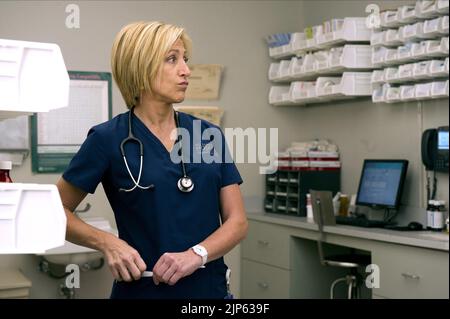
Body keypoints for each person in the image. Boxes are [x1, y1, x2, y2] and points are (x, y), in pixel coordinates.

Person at [56, 21, 248, 299]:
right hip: (143, 292)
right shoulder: (107, 139)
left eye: (185, 59)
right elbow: (54, 211)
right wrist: (108, 243)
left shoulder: (207, 135)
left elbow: (237, 221)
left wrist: (197, 254)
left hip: (209, 292)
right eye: (172, 59)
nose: (186, 70)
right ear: (140, 67)